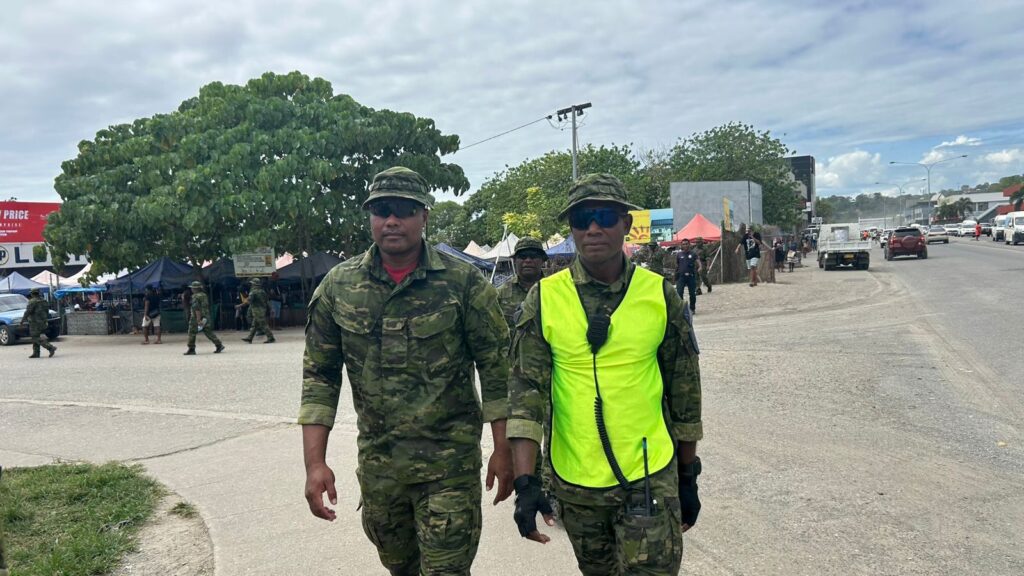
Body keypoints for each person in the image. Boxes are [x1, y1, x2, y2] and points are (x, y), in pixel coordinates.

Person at [300, 166, 514, 575]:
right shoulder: (338, 286)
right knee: (400, 569)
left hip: (448, 468)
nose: (391, 220)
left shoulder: (463, 284)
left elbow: (497, 371)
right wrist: (315, 464)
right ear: (370, 217)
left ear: (424, 216)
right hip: (382, 471)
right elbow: (319, 379)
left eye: (403, 209)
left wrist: (502, 450)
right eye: (381, 210)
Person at [507, 174, 703, 575]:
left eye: (604, 216)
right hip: (576, 483)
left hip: (649, 476)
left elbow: (685, 392)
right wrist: (526, 484)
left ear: (626, 224)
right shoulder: (544, 297)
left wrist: (688, 475)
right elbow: (526, 393)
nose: (593, 228)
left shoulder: (659, 293)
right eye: (581, 219)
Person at [496, 237, 547, 334]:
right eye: (522, 256)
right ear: (515, 260)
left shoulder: (555, 289)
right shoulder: (500, 294)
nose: (528, 260)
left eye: (533, 256)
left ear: (543, 260)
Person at [184, 281, 223, 355]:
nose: (191, 289)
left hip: (196, 317)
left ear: (195, 289)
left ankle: (191, 348)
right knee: (208, 331)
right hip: (206, 315)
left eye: (192, 288)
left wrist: (198, 319)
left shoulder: (195, 296)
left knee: (191, 332)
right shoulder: (204, 295)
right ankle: (219, 344)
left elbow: (196, 308)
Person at [21, 288, 56, 358]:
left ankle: (50, 347)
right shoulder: (44, 300)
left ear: (32, 293)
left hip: (34, 322)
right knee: (36, 336)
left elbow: (28, 311)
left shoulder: (32, 301)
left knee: (35, 337)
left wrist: (23, 320)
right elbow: (47, 311)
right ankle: (36, 353)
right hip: (43, 321)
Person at [242, 278, 274, 344]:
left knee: (263, 324)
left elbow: (249, 301)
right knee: (254, 325)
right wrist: (271, 309)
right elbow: (267, 301)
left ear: (254, 284)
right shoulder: (262, 291)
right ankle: (250, 338)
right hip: (262, 310)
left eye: (252, 284)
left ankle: (271, 338)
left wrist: (240, 305)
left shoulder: (253, 292)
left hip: (256, 311)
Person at [675, 238, 702, 313]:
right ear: (681, 245)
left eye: (686, 244)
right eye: (683, 244)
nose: (685, 245)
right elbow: (677, 265)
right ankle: (681, 309)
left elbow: (698, 261)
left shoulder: (693, 254)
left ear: (689, 244)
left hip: (691, 276)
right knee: (679, 293)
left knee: (692, 294)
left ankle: (692, 308)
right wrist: (676, 275)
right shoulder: (679, 254)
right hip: (681, 276)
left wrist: (700, 267)